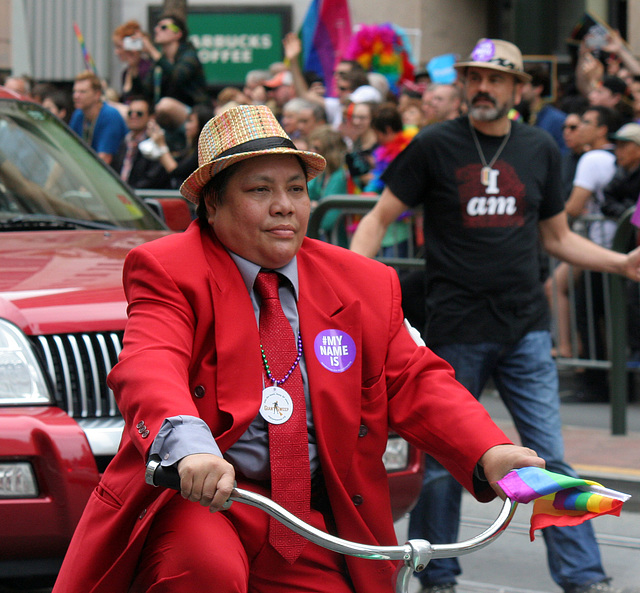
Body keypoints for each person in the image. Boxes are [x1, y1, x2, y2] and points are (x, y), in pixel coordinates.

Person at [52, 103, 543, 593]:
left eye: (296, 189)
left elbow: (417, 378)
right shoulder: (167, 267)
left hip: (310, 520)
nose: (284, 205)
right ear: (212, 204)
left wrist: (491, 450)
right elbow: (149, 363)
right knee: (204, 570)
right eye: (260, 189)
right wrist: (190, 450)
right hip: (205, 502)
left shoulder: (364, 283)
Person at [350, 38, 640, 593]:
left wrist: (620, 263)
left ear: (518, 88)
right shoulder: (434, 145)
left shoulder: (539, 149)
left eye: (495, 78)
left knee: (550, 458)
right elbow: (377, 218)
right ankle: (438, 579)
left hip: (526, 329)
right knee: (441, 465)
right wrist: (350, 286)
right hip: (454, 331)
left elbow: (558, 238)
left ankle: (583, 579)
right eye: (474, 76)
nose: (483, 87)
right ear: (463, 84)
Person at [147, 102, 214, 189]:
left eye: (190, 121)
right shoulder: (189, 149)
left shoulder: (203, 152)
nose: (186, 126)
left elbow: (176, 171)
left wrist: (161, 145)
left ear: (202, 124)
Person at [69, 70, 128, 166]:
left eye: (82, 92)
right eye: (75, 91)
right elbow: (69, 150)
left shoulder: (110, 115)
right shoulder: (78, 115)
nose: (76, 96)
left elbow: (104, 160)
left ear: (97, 94)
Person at [111, 96, 166, 189]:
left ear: (151, 117)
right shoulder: (124, 141)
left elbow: (152, 178)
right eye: (130, 113)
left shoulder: (156, 142)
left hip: (141, 197)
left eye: (139, 113)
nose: (133, 116)